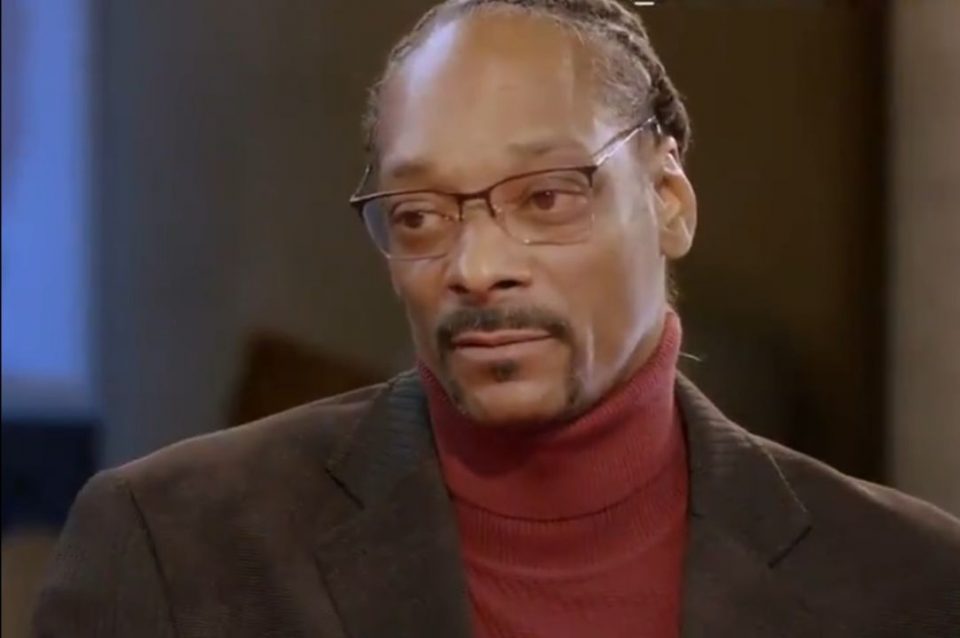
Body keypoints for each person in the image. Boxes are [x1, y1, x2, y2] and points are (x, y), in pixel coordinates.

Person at [33, 1, 960, 637]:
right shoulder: (174, 548)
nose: (475, 270)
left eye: (547, 198)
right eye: (419, 217)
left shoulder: (909, 581)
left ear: (669, 201)